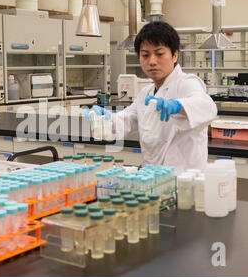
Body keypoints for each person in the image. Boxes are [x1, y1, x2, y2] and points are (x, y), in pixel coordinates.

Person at [85, 21, 218, 175]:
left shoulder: (187, 83)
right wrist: (103, 119)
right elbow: (127, 119)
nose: (152, 61)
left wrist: (177, 105)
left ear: (175, 55)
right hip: (152, 179)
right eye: (145, 55)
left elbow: (207, 106)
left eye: (159, 54)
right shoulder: (146, 93)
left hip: (184, 180)